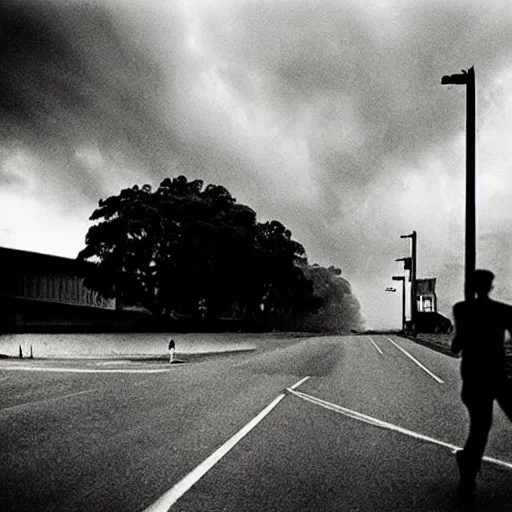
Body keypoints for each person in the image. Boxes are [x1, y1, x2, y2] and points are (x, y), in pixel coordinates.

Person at [452, 269, 512, 498]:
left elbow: (456, 346)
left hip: (475, 376)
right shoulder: (503, 311)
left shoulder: (462, 310)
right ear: (491, 287)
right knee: (481, 427)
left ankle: (467, 473)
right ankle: (467, 470)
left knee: (480, 428)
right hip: (497, 375)